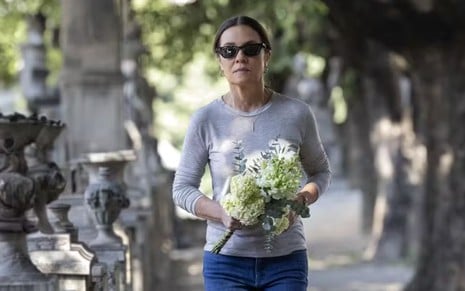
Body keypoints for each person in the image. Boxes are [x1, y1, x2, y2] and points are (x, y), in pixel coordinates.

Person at [172, 15, 331, 291]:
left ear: (266, 56)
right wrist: (220, 213)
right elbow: (182, 189)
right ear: (219, 61)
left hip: (286, 262)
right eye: (229, 51)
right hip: (225, 264)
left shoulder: (297, 114)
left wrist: (301, 199)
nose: (240, 57)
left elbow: (320, 172)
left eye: (250, 49)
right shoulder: (205, 119)